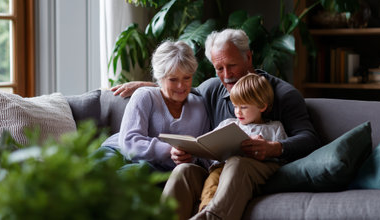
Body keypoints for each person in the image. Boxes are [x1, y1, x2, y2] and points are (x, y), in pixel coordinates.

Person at [111, 29, 321, 219]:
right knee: (184, 171)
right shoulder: (213, 90)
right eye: (219, 68)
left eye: (231, 66)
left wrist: (274, 147)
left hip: (256, 168)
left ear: (248, 58)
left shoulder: (284, 95)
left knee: (237, 163)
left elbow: (309, 139)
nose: (226, 76)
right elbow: (181, 89)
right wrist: (149, 86)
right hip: (216, 170)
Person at [100, 40, 211, 172]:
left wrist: (189, 157)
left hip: (159, 169)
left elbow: (202, 152)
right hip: (118, 155)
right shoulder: (145, 96)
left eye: (186, 78)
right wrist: (170, 150)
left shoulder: (199, 105)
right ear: (160, 77)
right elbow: (129, 142)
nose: (181, 86)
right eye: (173, 79)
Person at [198, 72, 287, 212]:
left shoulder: (274, 128)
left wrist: (266, 151)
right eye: (235, 106)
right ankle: (205, 210)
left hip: (249, 172)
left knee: (235, 166)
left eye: (243, 107)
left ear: (262, 107)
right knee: (212, 180)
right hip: (222, 168)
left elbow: (282, 160)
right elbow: (209, 146)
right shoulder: (228, 124)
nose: (238, 112)